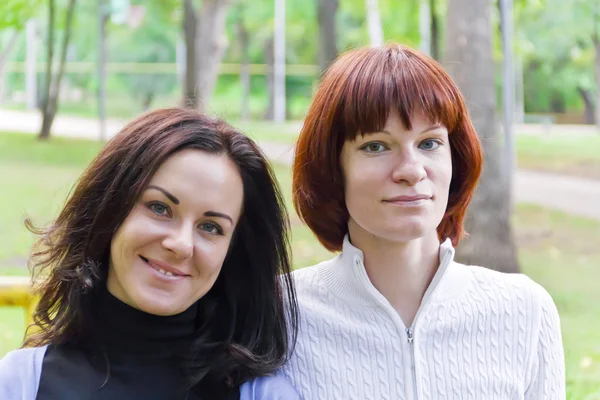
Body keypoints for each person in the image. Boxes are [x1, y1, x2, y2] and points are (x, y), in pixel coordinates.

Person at [282, 44, 565, 399]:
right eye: (376, 146)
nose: (412, 171)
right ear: (332, 168)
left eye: (429, 143)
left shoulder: (526, 311)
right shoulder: (278, 315)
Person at [0, 108, 300, 400]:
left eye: (210, 227)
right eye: (159, 208)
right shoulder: (19, 384)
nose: (181, 244)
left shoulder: (262, 394)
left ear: (232, 252)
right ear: (109, 209)